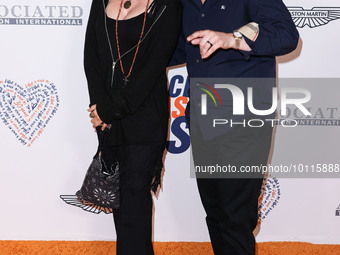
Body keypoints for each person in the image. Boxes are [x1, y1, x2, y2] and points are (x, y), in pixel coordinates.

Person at [170, 0, 299, 254]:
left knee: (235, 218)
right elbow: (177, 50)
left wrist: (232, 38)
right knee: (216, 214)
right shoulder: (185, 4)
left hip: (244, 121)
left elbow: (287, 35)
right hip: (202, 119)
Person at [84, 0, 182, 254]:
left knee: (133, 200)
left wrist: (109, 109)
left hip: (145, 116)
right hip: (107, 119)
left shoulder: (167, 5)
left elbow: (153, 67)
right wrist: (99, 107)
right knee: (120, 201)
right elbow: (91, 56)